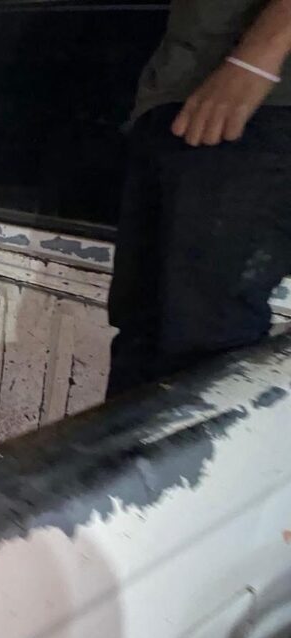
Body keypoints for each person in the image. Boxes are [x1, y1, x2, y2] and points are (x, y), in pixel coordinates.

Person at [107, 0, 291, 396]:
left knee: (203, 348)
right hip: (175, 98)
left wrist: (258, 58)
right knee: (140, 339)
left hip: (255, 104)